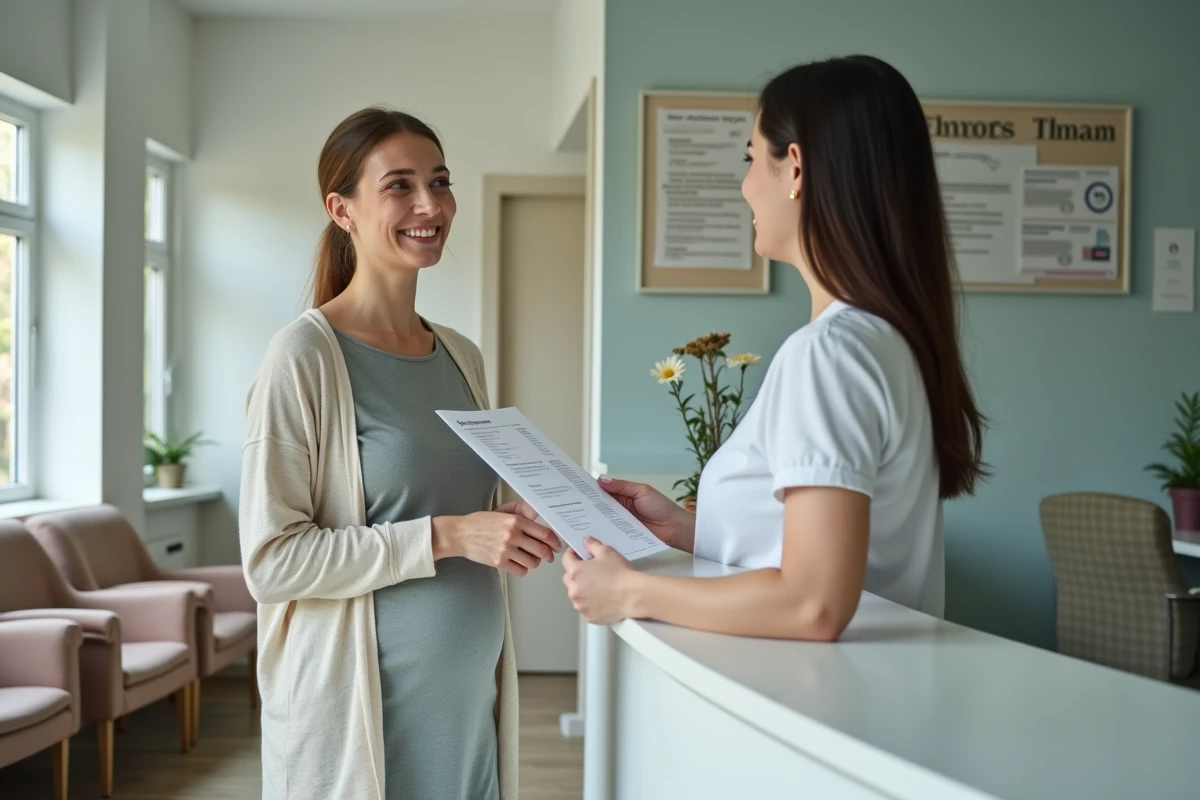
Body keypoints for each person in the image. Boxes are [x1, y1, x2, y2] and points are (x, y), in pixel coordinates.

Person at [562, 55, 987, 640]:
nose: (744, 186)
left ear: (795, 168)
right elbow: (829, 553)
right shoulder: (886, 340)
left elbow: (814, 603)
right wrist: (687, 530)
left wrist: (627, 592)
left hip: (824, 688)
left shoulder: (829, 354)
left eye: (750, 158)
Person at [239, 107, 559, 800]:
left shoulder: (461, 355)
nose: (430, 206)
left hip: (467, 713)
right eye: (400, 186)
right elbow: (272, 562)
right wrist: (450, 536)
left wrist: (517, 520)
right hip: (363, 721)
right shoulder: (303, 356)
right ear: (342, 210)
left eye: (440, 182)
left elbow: (456, 506)